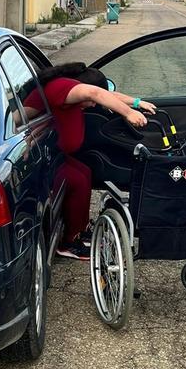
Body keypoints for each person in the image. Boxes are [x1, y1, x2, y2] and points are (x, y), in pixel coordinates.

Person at [23, 63, 156, 260]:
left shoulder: (73, 89)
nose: (94, 105)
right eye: (91, 101)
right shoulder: (61, 88)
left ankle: (80, 229)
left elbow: (102, 94)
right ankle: (68, 243)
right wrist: (128, 113)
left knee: (84, 173)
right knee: (76, 180)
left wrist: (136, 103)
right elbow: (94, 93)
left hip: (56, 153)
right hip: (41, 156)